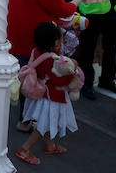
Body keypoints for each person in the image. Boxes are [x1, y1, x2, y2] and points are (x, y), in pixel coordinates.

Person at [7, 0, 88, 132]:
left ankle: (21, 117)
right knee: (34, 81)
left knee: (22, 77)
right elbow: (64, 9)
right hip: (37, 41)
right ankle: (27, 120)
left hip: (15, 34)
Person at [14, 22, 79, 165]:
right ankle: (24, 149)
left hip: (41, 93)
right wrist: (73, 71)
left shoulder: (36, 51)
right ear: (56, 42)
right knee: (44, 125)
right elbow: (59, 81)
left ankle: (50, 145)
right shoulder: (52, 60)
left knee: (50, 122)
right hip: (51, 98)